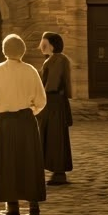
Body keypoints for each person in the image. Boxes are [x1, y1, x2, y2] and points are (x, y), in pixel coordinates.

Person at [0, 33, 46, 215]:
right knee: (29, 162)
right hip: (26, 120)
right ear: (23, 51)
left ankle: (13, 208)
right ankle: (34, 208)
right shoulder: (31, 70)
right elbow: (41, 100)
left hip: (6, 121)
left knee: (7, 164)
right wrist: (31, 110)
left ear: (4, 51)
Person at [37, 31, 73, 185]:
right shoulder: (53, 60)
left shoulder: (58, 60)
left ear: (52, 45)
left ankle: (59, 172)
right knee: (52, 136)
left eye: (44, 44)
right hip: (52, 102)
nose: (41, 47)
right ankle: (56, 171)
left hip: (54, 103)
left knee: (55, 137)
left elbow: (52, 84)